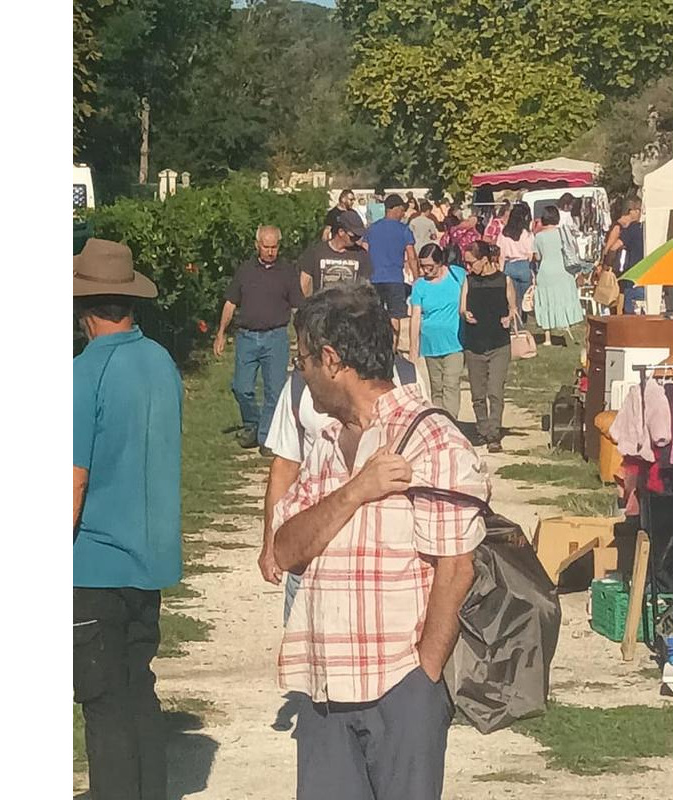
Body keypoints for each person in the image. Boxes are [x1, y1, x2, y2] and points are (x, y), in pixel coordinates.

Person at [272, 282, 490, 800]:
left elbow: (456, 568)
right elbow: (285, 550)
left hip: (399, 687)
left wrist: (424, 675)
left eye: (302, 361)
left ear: (331, 360)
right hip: (324, 690)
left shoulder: (432, 440)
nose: (299, 373)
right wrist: (356, 490)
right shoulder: (327, 440)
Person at [73, 239, 183, 800]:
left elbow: (73, 479)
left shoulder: (82, 373)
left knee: (103, 701)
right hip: (151, 558)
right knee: (138, 686)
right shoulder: (161, 362)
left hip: (94, 564)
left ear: (82, 309)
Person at [259, 326, 429, 619]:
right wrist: (269, 543)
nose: (301, 367)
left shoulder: (408, 379)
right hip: (309, 551)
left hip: (385, 571)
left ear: (330, 358)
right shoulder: (300, 387)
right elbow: (285, 465)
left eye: (302, 359)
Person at [213, 226, 303, 455]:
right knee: (241, 388)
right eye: (266, 247)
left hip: (276, 338)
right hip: (247, 337)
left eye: (274, 247)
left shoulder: (287, 272)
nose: (270, 252)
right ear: (257, 245)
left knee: (275, 391)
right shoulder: (245, 271)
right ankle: (253, 424)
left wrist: (303, 339)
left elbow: (297, 307)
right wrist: (221, 333)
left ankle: (266, 438)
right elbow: (230, 303)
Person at [460, 241, 517, 452]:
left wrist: (509, 317)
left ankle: (493, 434)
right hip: (474, 344)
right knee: (477, 394)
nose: (468, 267)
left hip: (498, 344)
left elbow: (513, 308)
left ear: (484, 260)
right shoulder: (469, 281)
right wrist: (465, 314)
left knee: (495, 391)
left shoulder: (504, 280)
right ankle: (482, 429)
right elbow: (462, 308)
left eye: (470, 262)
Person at [409, 243, 466, 418]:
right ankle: (440, 421)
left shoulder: (458, 275)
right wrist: (413, 348)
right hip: (430, 343)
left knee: (451, 383)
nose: (426, 270)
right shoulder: (419, 285)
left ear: (440, 262)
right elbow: (415, 316)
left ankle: (451, 421)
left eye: (430, 266)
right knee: (437, 387)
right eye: (422, 266)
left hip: (455, 342)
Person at [364, 193, 418, 335]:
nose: (403, 214)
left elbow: (364, 252)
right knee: (395, 316)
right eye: (402, 210)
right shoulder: (404, 230)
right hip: (395, 279)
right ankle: (393, 346)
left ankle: (376, 344)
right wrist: (417, 278)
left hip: (374, 279)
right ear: (395, 209)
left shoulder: (372, 229)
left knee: (375, 315)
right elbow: (412, 256)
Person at [532, 206, 584, 345]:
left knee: (547, 302)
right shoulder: (563, 233)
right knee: (564, 298)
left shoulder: (539, 236)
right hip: (563, 271)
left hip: (546, 271)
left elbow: (537, 257)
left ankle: (547, 338)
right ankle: (568, 326)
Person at [299, 211, 371, 296]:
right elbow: (305, 281)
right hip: (322, 303)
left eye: (359, 236)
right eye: (354, 236)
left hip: (350, 303)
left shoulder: (361, 254)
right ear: (341, 232)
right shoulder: (315, 252)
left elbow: (365, 286)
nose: (357, 239)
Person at [604, 197, 645, 314]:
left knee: (629, 310)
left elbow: (613, 247)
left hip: (632, 273)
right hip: (649, 272)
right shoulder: (647, 228)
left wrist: (607, 265)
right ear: (632, 211)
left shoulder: (633, 228)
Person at [497, 200, 535, 315]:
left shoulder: (504, 233)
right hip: (524, 265)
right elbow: (530, 254)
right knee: (525, 298)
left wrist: (501, 270)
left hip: (509, 265)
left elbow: (501, 255)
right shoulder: (526, 234)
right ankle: (524, 317)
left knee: (512, 298)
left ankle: (514, 317)